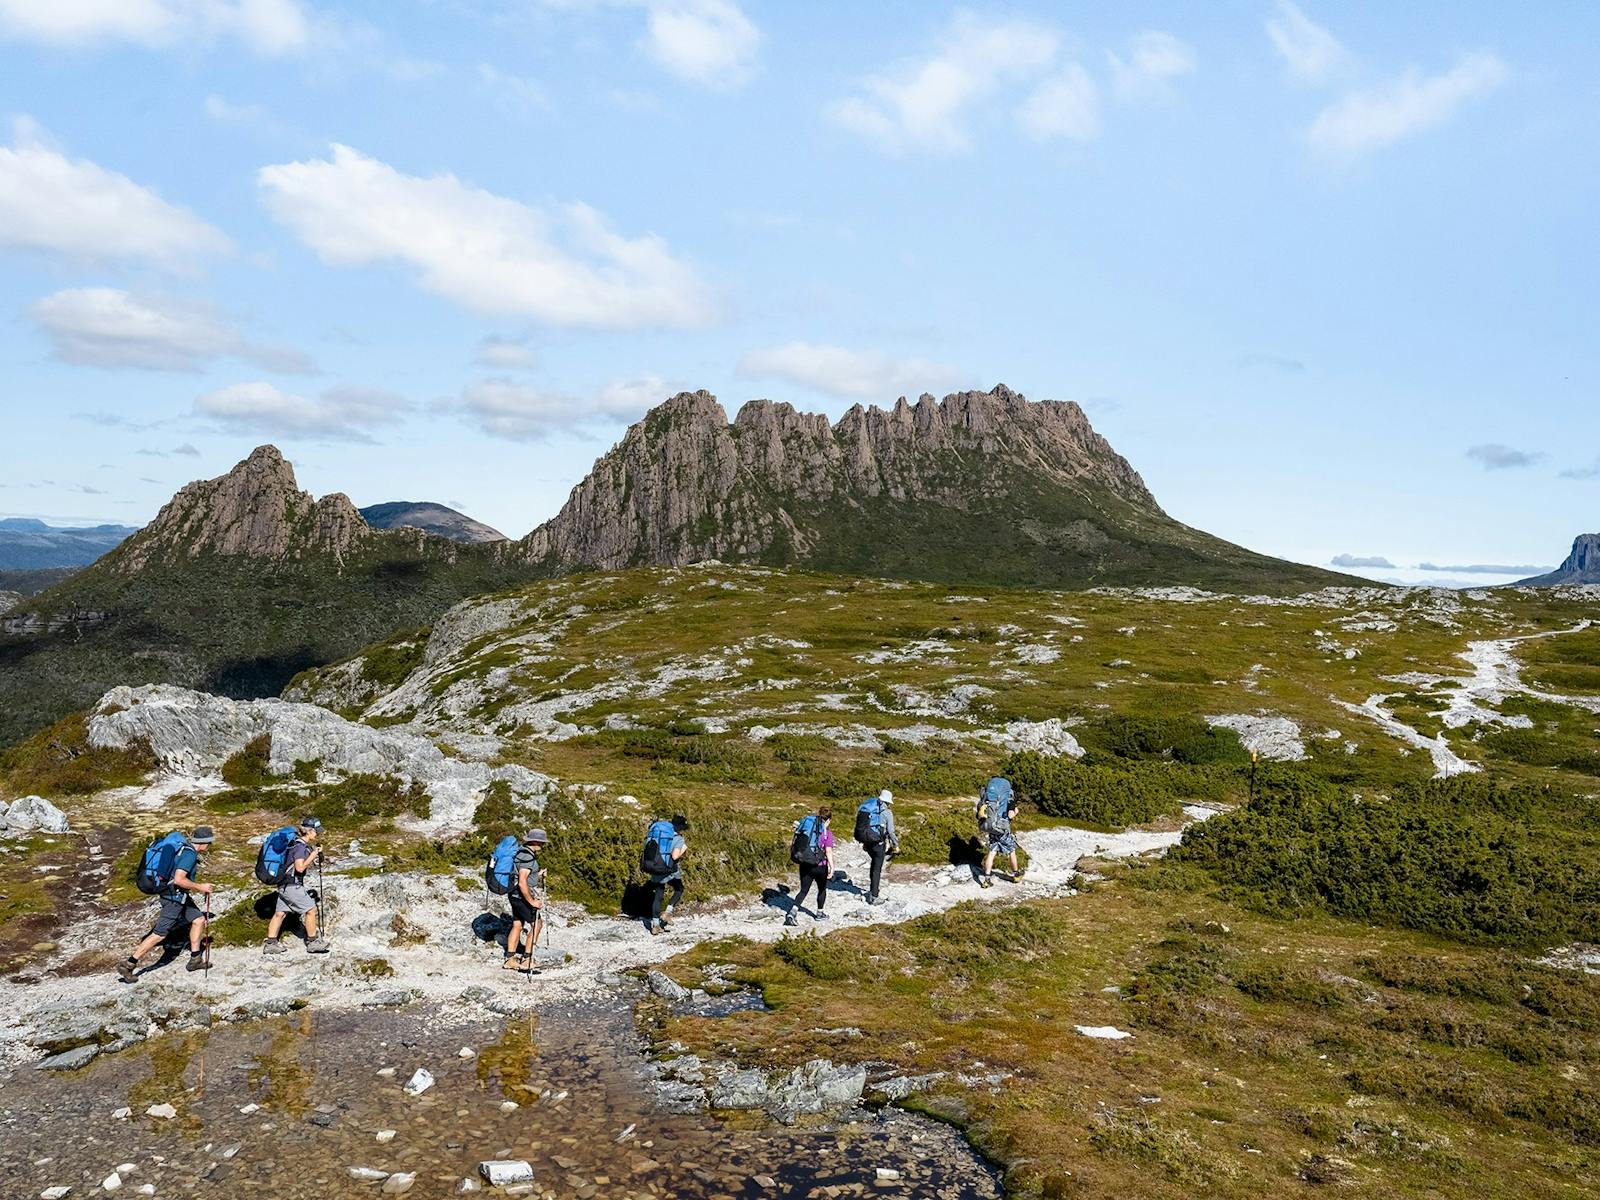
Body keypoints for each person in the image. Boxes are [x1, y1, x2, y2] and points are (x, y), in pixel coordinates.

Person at [118, 826, 215, 982]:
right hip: (173, 898)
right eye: (209, 842)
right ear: (203, 842)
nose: (209, 845)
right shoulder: (189, 855)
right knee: (159, 934)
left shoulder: (185, 850)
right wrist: (201, 887)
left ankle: (195, 959)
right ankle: (129, 964)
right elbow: (179, 879)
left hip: (177, 895)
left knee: (198, 920)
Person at [263, 817, 330, 955]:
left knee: (280, 914)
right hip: (292, 885)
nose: (317, 834)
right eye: (316, 831)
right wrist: (313, 854)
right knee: (311, 910)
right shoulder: (300, 847)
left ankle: (270, 944)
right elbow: (299, 868)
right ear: (309, 832)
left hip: (284, 885)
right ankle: (313, 942)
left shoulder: (295, 844)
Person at [504, 828, 548, 971]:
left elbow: (522, 874)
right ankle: (527, 960)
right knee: (537, 924)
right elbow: (523, 882)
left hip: (513, 894)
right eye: (541, 843)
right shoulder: (528, 858)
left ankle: (509, 959)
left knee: (517, 924)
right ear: (534, 841)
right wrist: (532, 901)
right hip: (521, 896)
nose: (543, 845)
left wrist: (538, 874)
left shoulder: (521, 852)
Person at [785, 805, 834, 926]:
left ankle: (792, 912)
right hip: (820, 866)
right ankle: (819, 913)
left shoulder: (808, 827)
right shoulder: (827, 833)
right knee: (821, 889)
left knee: (803, 890)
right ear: (828, 820)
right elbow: (828, 851)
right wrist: (832, 867)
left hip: (805, 863)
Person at [644, 815, 689, 936]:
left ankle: (655, 926)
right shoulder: (678, 838)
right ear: (680, 828)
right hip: (670, 870)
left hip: (655, 867)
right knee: (679, 889)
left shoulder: (659, 834)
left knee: (658, 895)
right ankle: (667, 913)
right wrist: (683, 850)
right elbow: (675, 856)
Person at [977, 777, 1024, 888]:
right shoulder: (1008, 798)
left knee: (992, 851)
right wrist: (1015, 811)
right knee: (1011, 850)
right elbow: (1010, 815)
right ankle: (1016, 874)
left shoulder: (989, 796)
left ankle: (987, 880)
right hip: (1002, 828)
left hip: (991, 826)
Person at [855, 789, 899, 905]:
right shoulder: (887, 813)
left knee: (874, 864)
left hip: (868, 842)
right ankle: (874, 896)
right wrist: (896, 844)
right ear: (888, 802)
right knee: (877, 869)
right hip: (878, 843)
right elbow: (890, 831)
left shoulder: (870, 806)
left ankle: (872, 889)